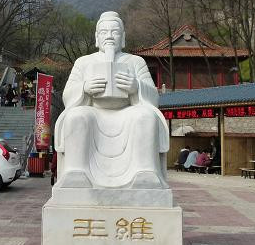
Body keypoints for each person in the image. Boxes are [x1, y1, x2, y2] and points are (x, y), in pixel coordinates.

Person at [54, 11, 170, 188]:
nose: (109, 36)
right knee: (76, 116)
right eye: (104, 32)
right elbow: (67, 95)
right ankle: (76, 172)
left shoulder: (136, 62)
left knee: (145, 116)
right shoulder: (83, 62)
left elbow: (153, 97)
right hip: (92, 110)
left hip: (128, 111)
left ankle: (144, 172)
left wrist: (136, 87)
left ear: (122, 37)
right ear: (96, 37)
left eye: (114, 32)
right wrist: (84, 89)